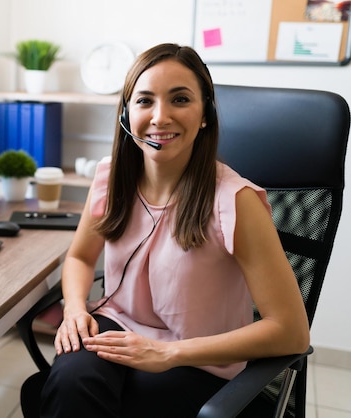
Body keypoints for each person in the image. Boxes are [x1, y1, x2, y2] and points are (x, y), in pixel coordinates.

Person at [39, 43, 310, 417]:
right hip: (119, 326)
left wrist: (169, 353)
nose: (160, 117)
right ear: (126, 113)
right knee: (69, 383)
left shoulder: (236, 201)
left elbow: (291, 331)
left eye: (180, 99)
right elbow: (80, 257)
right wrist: (72, 309)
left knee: (79, 398)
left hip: (199, 359)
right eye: (145, 101)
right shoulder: (110, 176)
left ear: (205, 115)